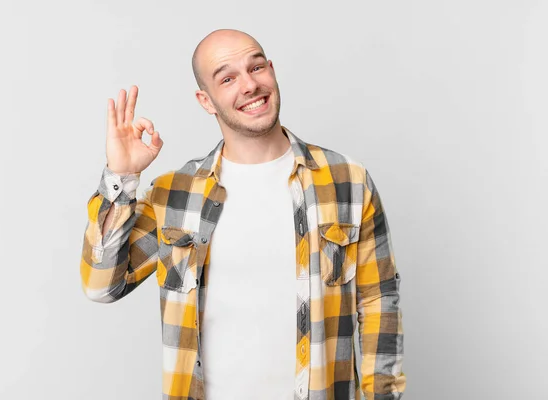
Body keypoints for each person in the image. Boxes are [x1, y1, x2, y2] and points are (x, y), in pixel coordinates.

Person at [80, 29, 406, 400]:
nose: (250, 85)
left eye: (256, 67)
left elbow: (379, 301)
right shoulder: (173, 195)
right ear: (206, 100)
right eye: (228, 78)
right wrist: (121, 178)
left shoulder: (347, 179)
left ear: (272, 71)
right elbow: (101, 285)